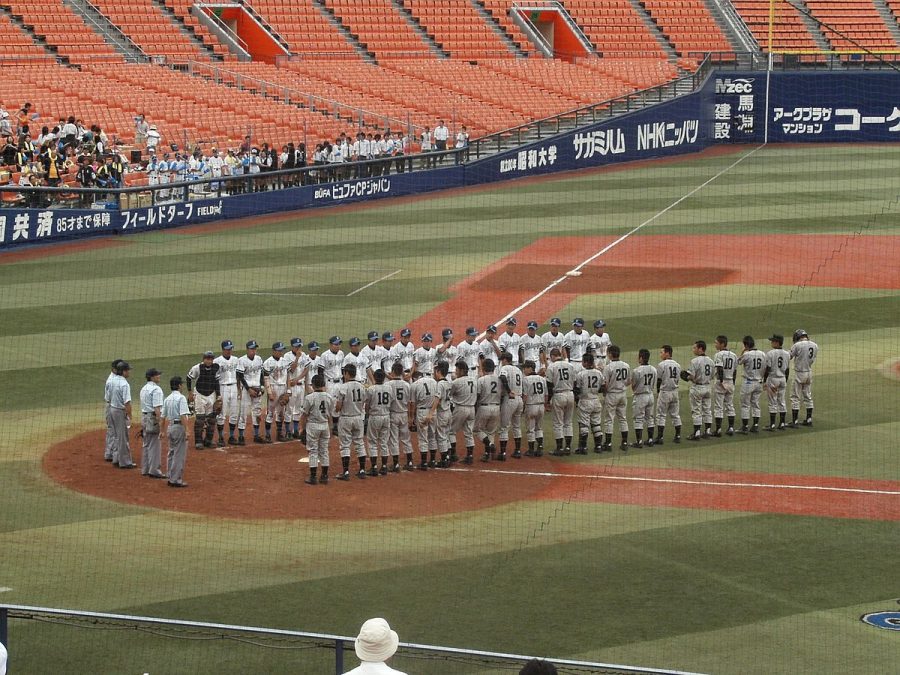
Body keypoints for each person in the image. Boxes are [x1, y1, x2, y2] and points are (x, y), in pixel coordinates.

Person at [335, 363, 368, 480]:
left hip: (346, 418)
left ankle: (346, 472)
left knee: (345, 445)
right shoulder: (362, 386)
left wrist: (337, 408)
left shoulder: (343, 387)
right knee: (359, 443)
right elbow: (364, 402)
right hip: (358, 417)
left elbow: (338, 406)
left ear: (347, 374)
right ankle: (362, 470)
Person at [299, 374, 333, 485]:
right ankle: (324, 476)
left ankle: (313, 477)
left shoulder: (309, 397)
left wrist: (302, 429)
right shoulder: (329, 397)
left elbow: (304, 415)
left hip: (313, 426)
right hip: (325, 425)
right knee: (324, 450)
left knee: (313, 451)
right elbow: (330, 416)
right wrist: (331, 429)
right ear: (323, 384)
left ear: (313, 385)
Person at [187, 350, 220, 449]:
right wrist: (189, 393)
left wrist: (219, 395)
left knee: (212, 419)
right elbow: (189, 378)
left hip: (211, 395)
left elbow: (216, 382)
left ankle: (208, 441)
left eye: (211, 359)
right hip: (199, 395)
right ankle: (198, 442)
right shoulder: (197, 368)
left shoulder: (216, 367)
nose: (209, 361)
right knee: (200, 420)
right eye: (207, 359)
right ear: (203, 359)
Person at [545, 347, 575, 455]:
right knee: (568, 422)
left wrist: (547, 401)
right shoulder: (570, 365)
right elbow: (575, 383)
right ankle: (567, 448)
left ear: (553, 356)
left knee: (558, 423)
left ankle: (559, 448)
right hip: (570, 394)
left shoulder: (551, 367)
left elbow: (549, 385)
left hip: (559, 395)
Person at [162, 376, 190, 487]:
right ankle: (175, 480)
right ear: (179, 385)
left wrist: (161, 431)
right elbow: (183, 415)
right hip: (179, 428)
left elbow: (162, 417)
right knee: (179, 454)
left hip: (170, 427)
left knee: (172, 452)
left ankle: (170, 475)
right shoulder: (181, 398)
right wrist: (187, 430)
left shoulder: (167, 398)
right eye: (181, 384)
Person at [601, 345, 631, 451]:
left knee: (609, 419)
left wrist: (604, 393)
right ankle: (625, 442)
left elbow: (606, 384)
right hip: (623, 394)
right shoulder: (626, 365)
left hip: (612, 395)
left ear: (610, 354)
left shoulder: (608, 367)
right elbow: (628, 381)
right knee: (623, 418)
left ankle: (608, 444)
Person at [237, 339, 267, 443]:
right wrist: (248, 389)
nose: (253, 351)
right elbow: (240, 376)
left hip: (257, 389)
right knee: (243, 412)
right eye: (251, 349)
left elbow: (262, 374)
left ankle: (256, 435)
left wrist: (262, 387)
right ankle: (241, 436)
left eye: (255, 349)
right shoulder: (242, 360)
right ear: (247, 349)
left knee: (257, 412)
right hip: (246, 390)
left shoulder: (259, 359)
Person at [684, 340, 715, 440]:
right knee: (707, 409)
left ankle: (697, 433)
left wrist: (685, 376)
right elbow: (713, 375)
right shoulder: (711, 361)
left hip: (697, 387)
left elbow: (691, 377)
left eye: (695, 348)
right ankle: (708, 431)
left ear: (700, 349)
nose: (693, 350)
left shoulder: (695, 361)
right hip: (708, 387)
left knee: (696, 410)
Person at [365, 369, 394, 474]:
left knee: (372, 442)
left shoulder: (371, 389)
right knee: (384, 442)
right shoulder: (389, 388)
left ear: (375, 377)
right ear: (384, 378)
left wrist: (368, 413)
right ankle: (384, 466)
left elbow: (367, 405)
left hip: (375, 416)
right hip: (386, 416)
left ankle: (373, 467)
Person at [575, 352, 604, 453]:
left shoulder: (580, 374)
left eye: (583, 361)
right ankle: (598, 446)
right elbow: (602, 387)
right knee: (596, 424)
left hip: (585, 401)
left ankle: (583, 448)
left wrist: (577, 400)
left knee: (584, 425)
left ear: (586, 362)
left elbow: (577, 389)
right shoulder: (599, 373)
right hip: (596, 400)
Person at [139, 368, 166, 479]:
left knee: (146, 444)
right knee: (155, 445)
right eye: (157, 375)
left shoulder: (144, 388)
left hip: (144, 418)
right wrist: (160, 422)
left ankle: (145, 469)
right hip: (152, 418)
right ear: (152, 377)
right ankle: (154, 470)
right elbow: (157, 408)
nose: (159, 376)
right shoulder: (156, 389)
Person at [410, 366, 438, 469]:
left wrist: (411, 418)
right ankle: (433, 460)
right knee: (432, 436)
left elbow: (412, 404)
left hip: (422, 412)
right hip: (433, 411)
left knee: (423, 438)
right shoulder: (434, 382)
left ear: (414, 378)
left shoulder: (414, 384)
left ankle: (424, 463)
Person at [449, 360, 478, 463]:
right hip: (472, 409)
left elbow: (450, 395)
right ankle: (470, 456)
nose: (455, 372)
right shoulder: (474, 380)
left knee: (451, 432)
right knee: (468, 433)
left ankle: (452, 455)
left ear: (461, 371)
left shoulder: (456, 382)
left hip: (460, 408)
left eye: (457, 370)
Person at [789, 328, 818, 427]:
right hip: (809, 372)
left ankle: (795, 421)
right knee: (808, 396)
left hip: (799, 373)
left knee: (795, 397)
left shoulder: (797, 345)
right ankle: (809, 419)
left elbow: (789, 356)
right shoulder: (815, 345)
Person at [387, 362, 414, 469]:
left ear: (393, 372)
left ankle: (396, 464)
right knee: (406, 438)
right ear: (402, 372)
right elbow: (410, 402)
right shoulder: (407, 385)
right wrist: (411, 417)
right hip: (404, 414)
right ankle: (410, 462)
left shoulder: (388, 385)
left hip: (393, 414)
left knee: (393, 439)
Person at [214, 340, 241, 445]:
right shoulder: (217, 361)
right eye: (227, 349)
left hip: (234, 387)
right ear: (223, 349)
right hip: (223, 387)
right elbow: (215, 379)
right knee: (221, 413)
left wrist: (239, 389)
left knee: (234, 413)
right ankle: (220, 437)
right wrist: (217, 393)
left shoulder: (236, 360)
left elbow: (239, 376)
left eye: (230, 348)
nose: (229, 351)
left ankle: (231, 436)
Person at [263, 341, 291, 442]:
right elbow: (266, 378)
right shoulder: (267, 362)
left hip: (283, 388)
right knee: (270, 413)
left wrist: (288, 391)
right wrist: (269, 392)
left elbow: (288, 377)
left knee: (281, 413)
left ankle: (279, 434)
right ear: (274, 351)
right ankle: (267, 435)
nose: (281, 352)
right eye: (279, 351)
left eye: (281, 350)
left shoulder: (285, 361)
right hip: (273, 388)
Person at [498, 350, 524, 458]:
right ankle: (517, 451)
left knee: (504, 427)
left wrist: (508, 391)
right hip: (519, 399)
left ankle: (503, 453)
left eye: (501, 360)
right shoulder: (518, 370)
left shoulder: (505, 368)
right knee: (516, 426)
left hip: (510, 399)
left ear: (505, 360)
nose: (501, 362)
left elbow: (502, 378)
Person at [737, 335, 766, 434]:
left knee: (745, 405)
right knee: (755, 404)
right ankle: (755, 425)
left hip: (748, 382)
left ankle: (745, 427)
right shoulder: (762, 354)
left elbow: (738, 362)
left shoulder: (747, 355)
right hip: (759, 382)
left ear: (745, 345)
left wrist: (743, 351)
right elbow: (766, 367)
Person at [109, 361, 135, 468]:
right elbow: (127, 402)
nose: (129, 372)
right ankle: (125, 462)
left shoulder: (113, 380)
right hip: (119, 411)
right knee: (123, 436)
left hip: (112, 409)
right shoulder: (124, 384)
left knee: (116, 435)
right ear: (123, 371)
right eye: (128, 370)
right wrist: (129, 415)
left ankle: (116, 458)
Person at [655, 345, 682, 445]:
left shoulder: (662, 365)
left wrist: (658, 392)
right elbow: (678, 379)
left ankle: (660, 437)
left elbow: (658, 380)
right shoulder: (678, 365)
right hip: (675, 392)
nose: (660, 354)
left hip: (665, 392)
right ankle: (678, 435)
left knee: (661, 415)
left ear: (667, 353)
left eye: (662, 352)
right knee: (675, 415)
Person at [475, 359, 502, 461]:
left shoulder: (481, 380)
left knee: (477, 430)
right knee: (491, 432)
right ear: (494, 368)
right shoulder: (499, 379)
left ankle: (489, 445)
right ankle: (488, 454)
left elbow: (477, 395)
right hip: (496, 407)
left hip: (484, 407)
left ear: (483, 367)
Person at [285, 337, 311, 440]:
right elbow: (291, 370)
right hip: (291, 387)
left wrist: (298, 378)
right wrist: (296, 358)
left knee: (298, 409)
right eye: (297, 346)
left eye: (300, 346)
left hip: (300, 385)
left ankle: (295, 430)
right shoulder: (287, 356)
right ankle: (288, 431)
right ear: (292, 347)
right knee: (289, 409)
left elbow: (306, 368)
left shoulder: (304, 355)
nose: (299, 348)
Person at [764, 334, 791, 431]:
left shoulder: (770, 353)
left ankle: (772, 425)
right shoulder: (787, 354)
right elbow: (787, 370)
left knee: (772, 402)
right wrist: (785, 381)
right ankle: (782, 423)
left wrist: (764, 381)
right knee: (782, 401)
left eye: (772, 341)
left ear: (777, 342)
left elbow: (768, 368)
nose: (771, 343)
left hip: (773, 379)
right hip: (783, 379)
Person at [630, 349, 656, 448]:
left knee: (638, 419)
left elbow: (633, 385)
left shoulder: (637, 370)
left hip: (640, 396)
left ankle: (639, 441)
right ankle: (650, 439)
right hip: (650, 395)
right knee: (650, 418)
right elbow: (653, 383)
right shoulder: (653, 369)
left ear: (641, 358)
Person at [712, 335, 737, 437]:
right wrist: (732, 383)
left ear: (722, 344)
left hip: (721, 382)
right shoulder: (734, 355)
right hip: (730, 381)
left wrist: (722, 381)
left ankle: (718, 430)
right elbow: (735, 371)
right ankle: (731, 427)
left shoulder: (718, 355)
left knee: (718, 406)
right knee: (730, 405)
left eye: (716, 343)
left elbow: (719, 369)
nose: (715, 344)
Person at [521, 360, 547, 456]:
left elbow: (525, 395)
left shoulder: (526, 379)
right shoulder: (542, 379)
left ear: (530, 368)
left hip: (531, 406)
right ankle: (540, 448)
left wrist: (523, 407)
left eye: (525, 368)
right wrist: (545, 405)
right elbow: (546, 395)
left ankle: (531, 450)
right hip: (541, 405)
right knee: (539, 428)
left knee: (530, 429)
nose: (524, 370)